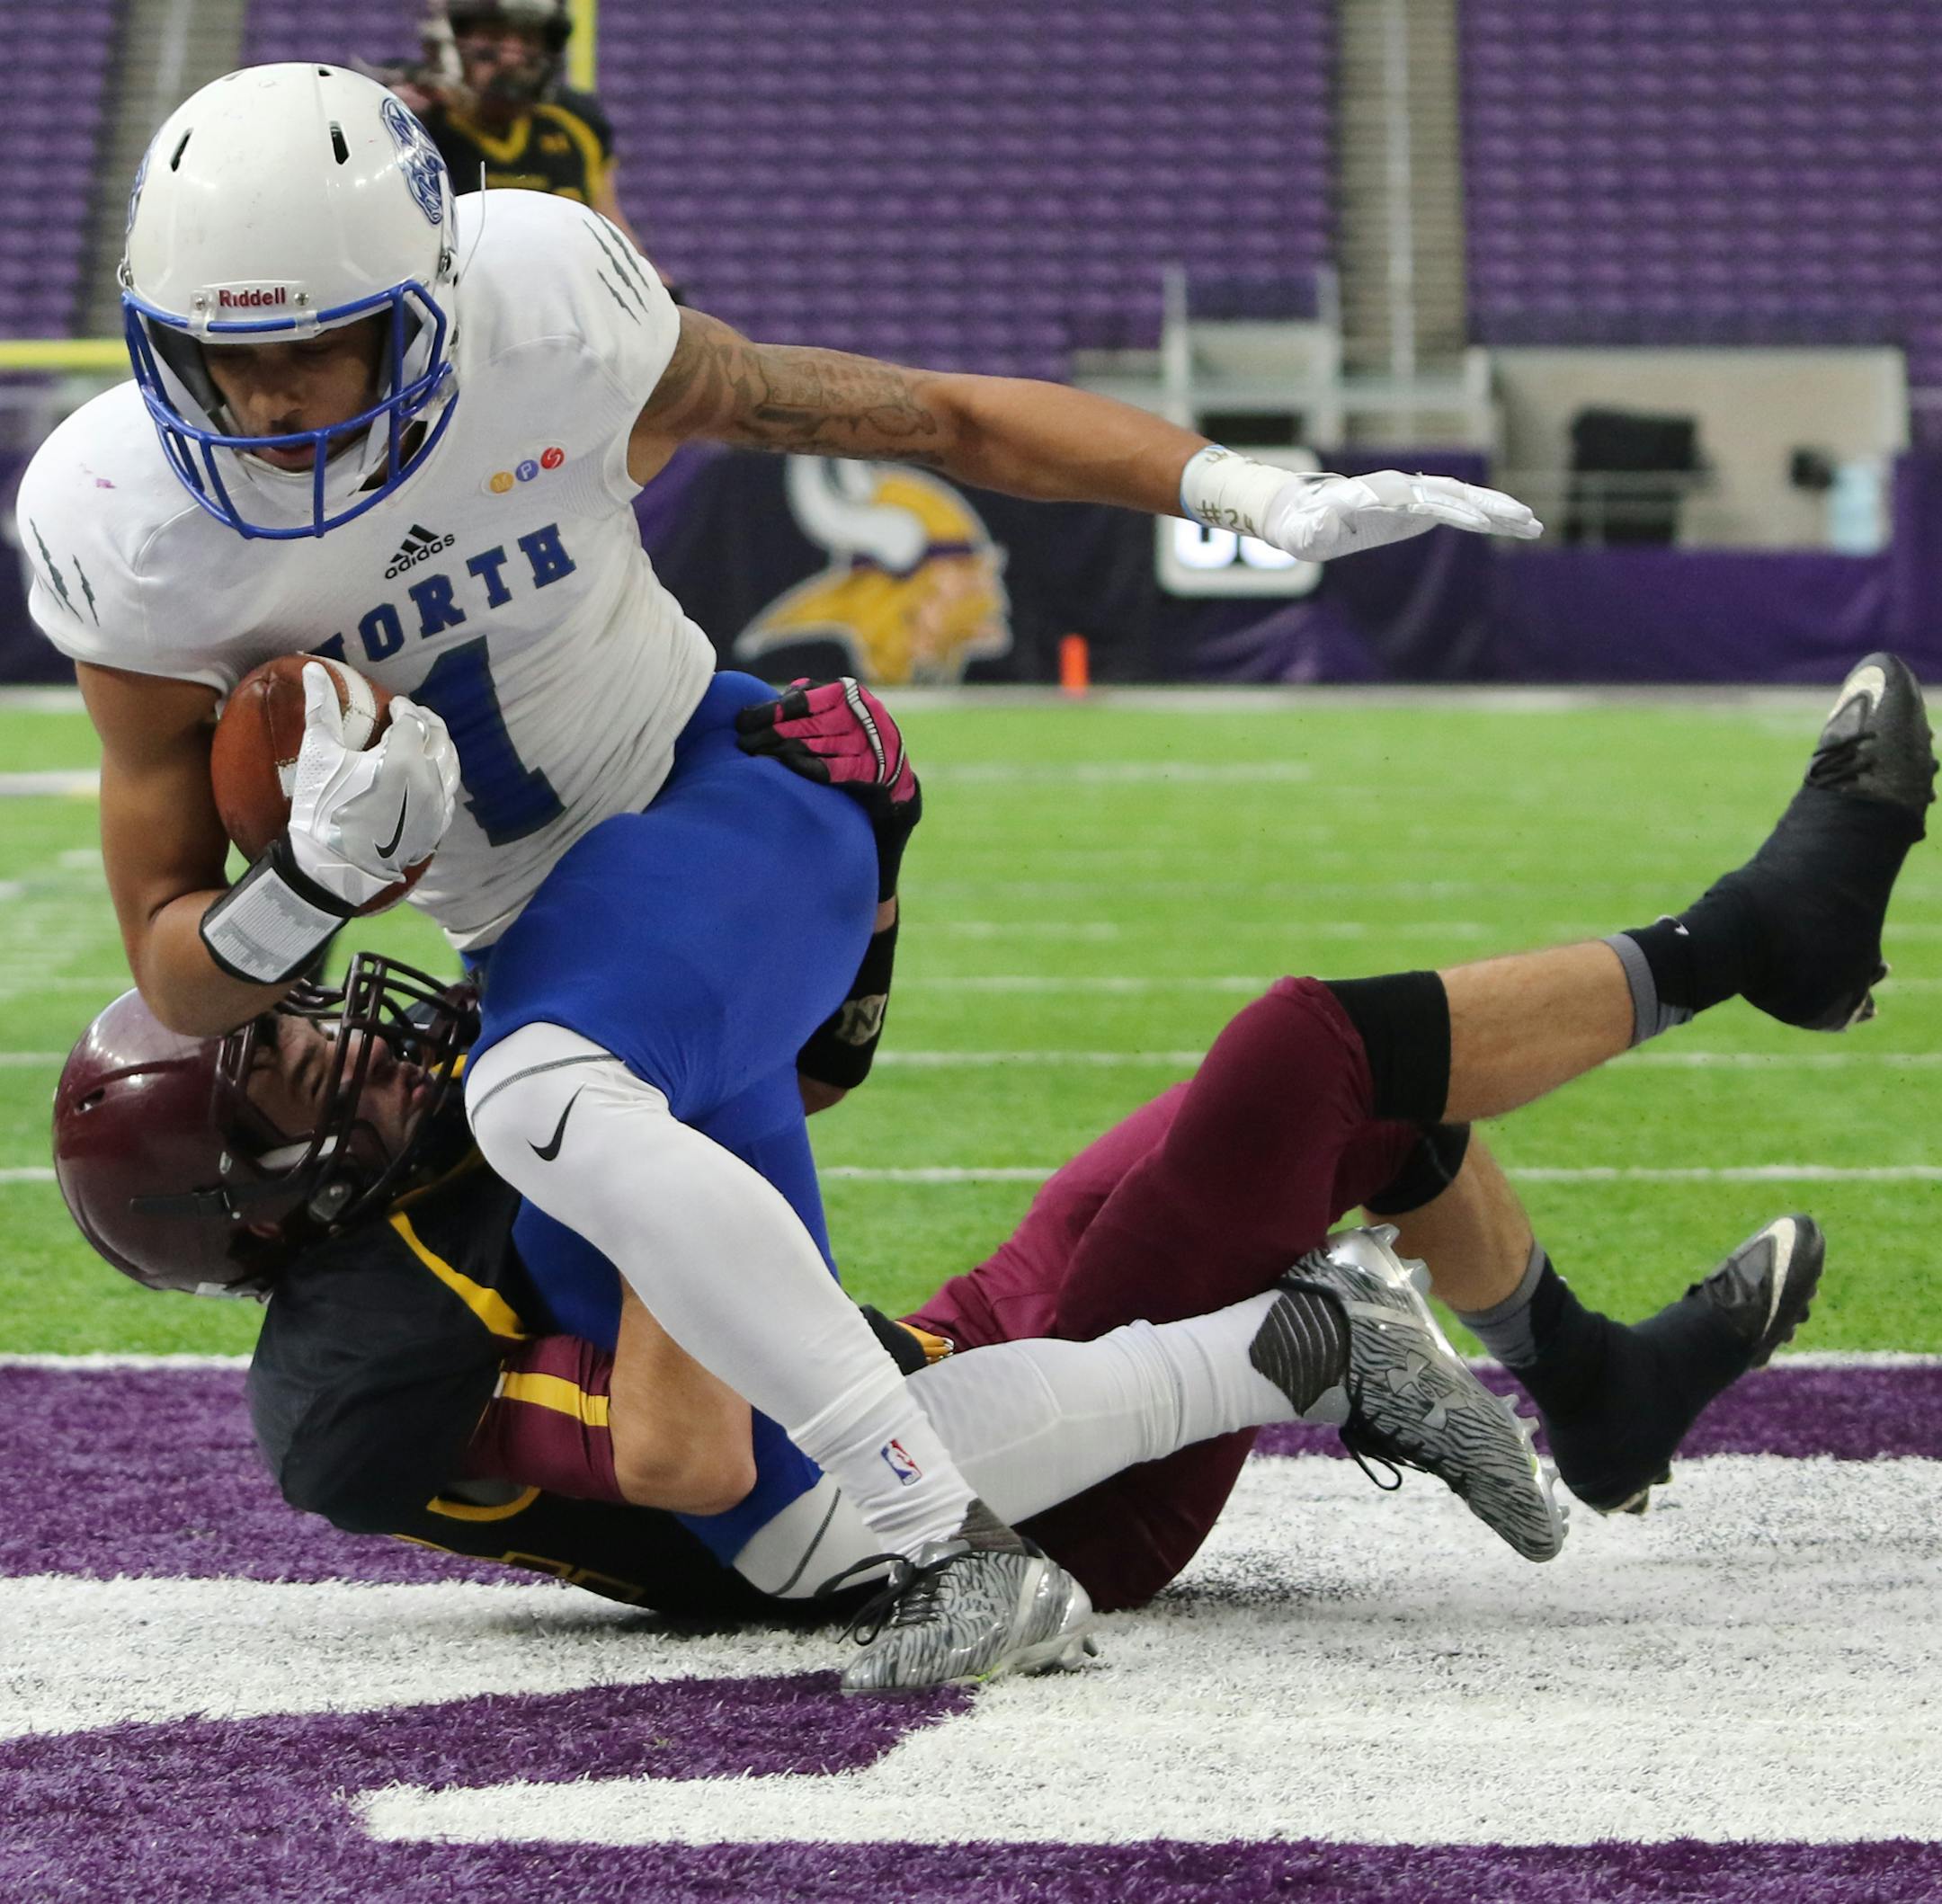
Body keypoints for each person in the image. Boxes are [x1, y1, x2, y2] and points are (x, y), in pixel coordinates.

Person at [17, 62, 1547, 1687]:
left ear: (435, 305)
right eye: (218, 359)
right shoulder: (126, 524)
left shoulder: (554, 309)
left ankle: (949, 1554)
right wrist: (310, 888)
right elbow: (177, 975)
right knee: (752, 1498)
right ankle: (1303, 1344)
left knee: (533, 1093)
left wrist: (1243, 489)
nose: (260, 407)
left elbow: (932, 415)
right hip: (547, 948)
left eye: (308, 348)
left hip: (726, 794)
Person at [53, 649, 1930, 1678]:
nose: (352, 1033)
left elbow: (758, 1175)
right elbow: (701, 1455)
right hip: (995, 1500)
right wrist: (651, 1091)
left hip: (946, 1352)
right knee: (1305, 1051)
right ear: (261, 1194)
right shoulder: (373, 1358)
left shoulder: (432, 1167)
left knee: (1342, 1116)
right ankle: (1755, 937)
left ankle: (1595, 1391)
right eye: (301, 1055)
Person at [379, 0, 649, 258]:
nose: (510, 57)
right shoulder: (406, 118)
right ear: (452, 41)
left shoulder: (576, 123)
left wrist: (665, 293)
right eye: (492, 36)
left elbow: (616, 233)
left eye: (529, 39)